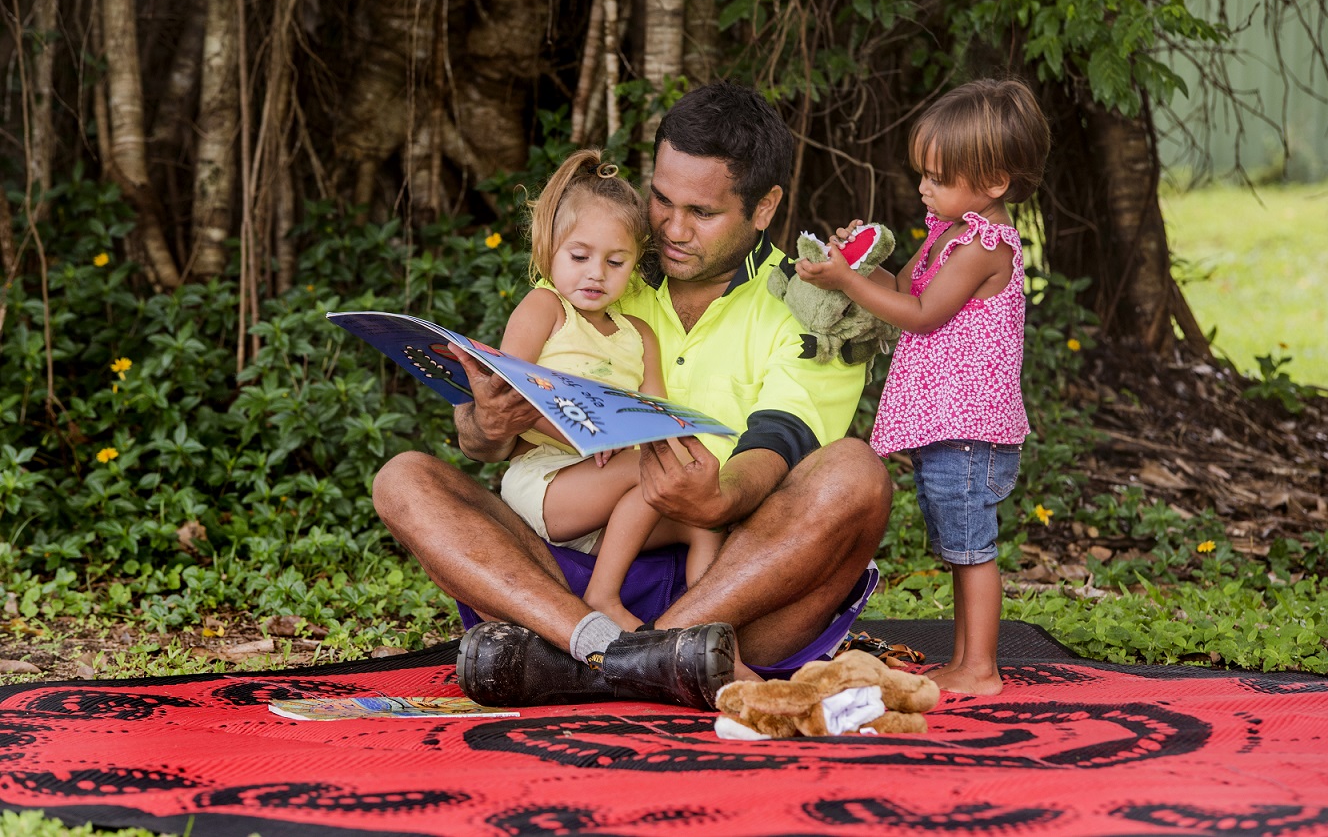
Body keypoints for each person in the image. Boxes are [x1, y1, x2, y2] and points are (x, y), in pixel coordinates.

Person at [372, 82, 892, 712]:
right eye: (662, 201)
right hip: (565, 578)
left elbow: (781, 442)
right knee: (404, 479)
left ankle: (590, 662)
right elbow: (486, 440)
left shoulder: (812, 306)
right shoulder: (607, 266)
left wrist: (719, 496)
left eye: (701, 213)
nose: (672, 229)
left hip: (733, 585)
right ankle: (628, 657)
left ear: (764, 207)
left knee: (857, 474)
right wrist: (487, 421)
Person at [797, 78, 1051, 696]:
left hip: (970, 428)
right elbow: (906, 287)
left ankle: (980, 668)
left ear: (992, 182)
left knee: (972, 549)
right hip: (950, 425)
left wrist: (849, 286)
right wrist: (854, 266)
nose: (923, 187)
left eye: (937, 176)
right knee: (960, 546)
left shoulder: (985, 244)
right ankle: (969, 660)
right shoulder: (949, 232)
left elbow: (921, 315)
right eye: (923, 174)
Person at [496, 147, 723, 631]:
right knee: (648, 466)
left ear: (637, 264)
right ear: (548, 250)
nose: (596, 273)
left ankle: (695, 631)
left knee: (704, 519)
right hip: (548, 482)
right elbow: (509, 391)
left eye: (616, 261)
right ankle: (603, 596)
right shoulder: (545, 309)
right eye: (579, 256)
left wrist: (693, 459)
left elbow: (658, 415)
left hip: (612, 494)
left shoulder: (638, 333)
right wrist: (588, 435)